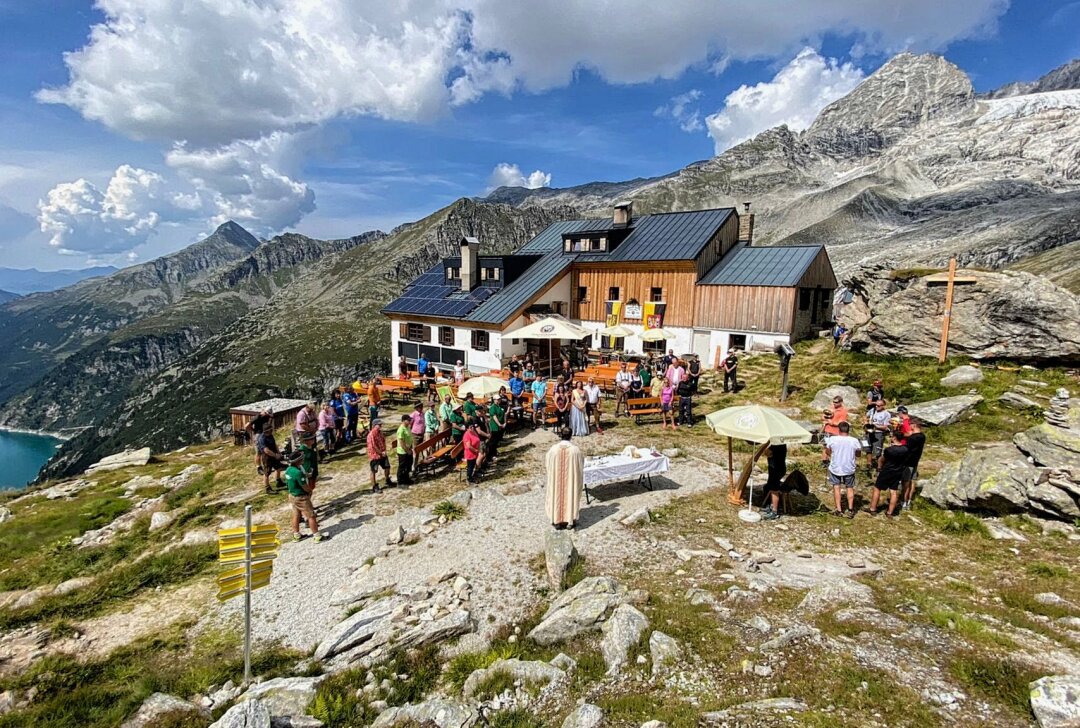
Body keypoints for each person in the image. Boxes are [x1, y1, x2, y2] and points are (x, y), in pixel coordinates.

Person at [545, 427, 585, 529]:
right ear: (571, 436)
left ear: (561, 435)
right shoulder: (575, 450)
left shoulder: (553, 449)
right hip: (570, 479)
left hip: (556, 480)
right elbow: (581, 465)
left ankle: (556, 520)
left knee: (556, 494)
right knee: (570, 494)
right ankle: (569, 521)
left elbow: (547, 463)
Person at [284, 452, 324, 542]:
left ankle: (296, 535)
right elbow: (304, 486)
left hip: (292, 495)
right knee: (311, 515)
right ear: (298, 461)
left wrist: (305, 475)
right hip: (301, 497)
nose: (303, 459)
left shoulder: (288, 470)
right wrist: (310, 491)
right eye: (302, 458)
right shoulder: (298, 473)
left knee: (296, 514)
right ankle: (317, 536)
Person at [869, 431, 908, 519]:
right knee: (893, 491)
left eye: (891, 436)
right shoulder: (905, 449)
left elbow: (882, 459)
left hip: (887, 471)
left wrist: (879, 467)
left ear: (894, 438)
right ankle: (890, 512)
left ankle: (873, 508)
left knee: (877, 488)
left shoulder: (889, 450)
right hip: (898, 471)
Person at [826, 421, 861, 518]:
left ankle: (839, 510)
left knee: (836, 487)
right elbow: (858, 454)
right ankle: (850, 509)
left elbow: (828, 451)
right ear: (848, 430)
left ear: (839, 429)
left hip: (836, 467)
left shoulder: (832, 439)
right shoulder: (854, 440)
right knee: (849, 488)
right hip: (849, 467)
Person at [901, 421, 925, 510]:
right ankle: (909, 501)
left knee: (906, 483)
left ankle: (904, 502)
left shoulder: (912, 438)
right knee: (912, 481)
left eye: (911, 424)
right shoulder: (922, 436)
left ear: (914, 425)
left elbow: (906, 449)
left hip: (908, 463)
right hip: (915, 462)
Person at [761, 444, 788, 521]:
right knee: (770, 486)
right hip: (777, 468)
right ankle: (771, 507)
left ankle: (774, 511)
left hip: (776, 469)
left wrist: (765, 449)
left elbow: (768, 453)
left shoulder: (777, 445)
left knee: (774, 490)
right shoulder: (780, 444)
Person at [366, 419, 394, 492]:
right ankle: (374, 486)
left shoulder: (380, 433)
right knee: (374, 471)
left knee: (387, 467)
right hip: (375, 456)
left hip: (382, 454)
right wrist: (381, 453)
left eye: (381, 424)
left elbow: (383, 441)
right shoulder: (371, 434)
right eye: (379, 425)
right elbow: (373, 446)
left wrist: (384, 450)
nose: (381, 426)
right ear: (374, 425)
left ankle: (387, 480)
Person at [257, 426, 286, 494]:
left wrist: (278, 452)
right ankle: (267, 488)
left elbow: (274, 444)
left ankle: (278, 482)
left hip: (274, 454)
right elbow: (266, 450)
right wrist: (275, 455)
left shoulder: (270, 435)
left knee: (278, 467)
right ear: (266, 431)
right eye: (270, 430)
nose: (272, 431)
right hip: (267, 457)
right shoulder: (262, 438)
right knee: (267, 472)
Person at [821, 396, 849, 466]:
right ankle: (824, 461)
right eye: (833, 402)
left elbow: (841, 423)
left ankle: (835, 462)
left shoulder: (843, 411)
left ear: (841, 402)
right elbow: (823, 416)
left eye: (836, 402)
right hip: (827, 430)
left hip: (835, 432)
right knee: (825, 446)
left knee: (834, 447)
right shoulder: (831, 408)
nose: (834, 403)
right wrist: (824, 418)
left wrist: (830, 422)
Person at [866, 399, 892, 472]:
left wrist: (876, 426)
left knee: (878, 451)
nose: (877, 407)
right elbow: (866, 416)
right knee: (868, 448)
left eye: (879, 406)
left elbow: (886, 427)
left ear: (883, 406)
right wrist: (866, 422)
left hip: (878, 433)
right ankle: (869, 464)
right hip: (869, 431)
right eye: (876, 405)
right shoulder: (873, 410)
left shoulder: (886, 414)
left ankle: (879, 467)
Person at [395, 414, 415, 485]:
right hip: (403, 451)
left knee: (408, 465)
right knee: (402, 467)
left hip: (409, 449)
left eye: (410, 420)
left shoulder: (408, 427)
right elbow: (401, 442)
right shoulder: (401, 429)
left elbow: (410, 437)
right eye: (408, 420)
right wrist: (407, 450)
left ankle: (406, 479)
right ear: (403, 421)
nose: (410, 421)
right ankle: (400, 481)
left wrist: (411, 448)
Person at [487, 395, 506, 461]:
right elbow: (494, 417)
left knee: (497, 440)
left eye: (499, 399)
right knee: (493, 441)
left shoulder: (500, 406)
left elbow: (504, 414)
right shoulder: (493, 407)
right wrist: (499, 424)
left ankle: (494, 452)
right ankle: (490, 455)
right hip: (495, 426)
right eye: (497, 399)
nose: (499, 400)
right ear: (494, 400)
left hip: (500, 426)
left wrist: (505, 422)